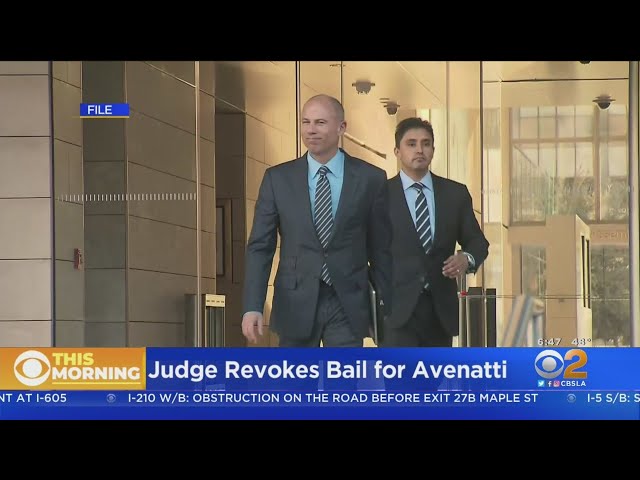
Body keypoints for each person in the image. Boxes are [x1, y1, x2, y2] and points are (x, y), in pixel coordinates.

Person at [241, 94, 392, 347]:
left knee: (343, 373)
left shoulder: (371, 179)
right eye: (305, 122)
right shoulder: (278, 179)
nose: (311, 130)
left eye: (320, 122)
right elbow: (260, 247)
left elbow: (382, 249)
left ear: (341, 128)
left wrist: (387, 308)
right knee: (297, 374)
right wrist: (252, 306)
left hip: (348, 302)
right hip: (295, 301)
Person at [383, 117, 489, 347]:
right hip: (396, 312)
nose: (419, 150)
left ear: (433, 150)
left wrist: (466, 258)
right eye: (411, 144)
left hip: (441, 312)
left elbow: (478, 242)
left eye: (426, 143)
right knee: (399, 371)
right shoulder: (379, 195)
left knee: (436, 371)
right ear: (397, 151)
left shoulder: (454, 194)